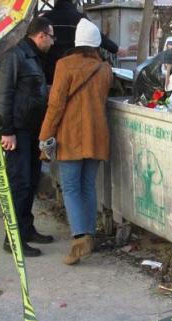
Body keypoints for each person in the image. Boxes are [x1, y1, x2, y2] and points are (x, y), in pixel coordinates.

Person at [39, 19, 113, 265]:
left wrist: (44, 136)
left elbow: (56, 104)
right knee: (88, 186)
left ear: (76, 42)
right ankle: (89, 235)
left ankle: (80, 237)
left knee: (71, 187)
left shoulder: (64, 65)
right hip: (97, 135)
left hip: (71, 136)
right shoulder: (105, 69)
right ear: (96, 44)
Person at [0, 17, 55, 257]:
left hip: (31, 131)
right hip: (17, 131)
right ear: (41, 35)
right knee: (19, 184)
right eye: (52, 36)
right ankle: (13, 239)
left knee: (30, 181)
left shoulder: (33, 58)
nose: (53, 41)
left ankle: (27, 229)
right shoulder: (14, 57)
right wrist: (7, 130)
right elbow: (3, 95)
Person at [40, 0, 121, 84]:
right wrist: (115, 49)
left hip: (49, 67)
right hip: (74, 67)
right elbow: (97, 35)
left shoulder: (46, 18)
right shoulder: (80, 18)